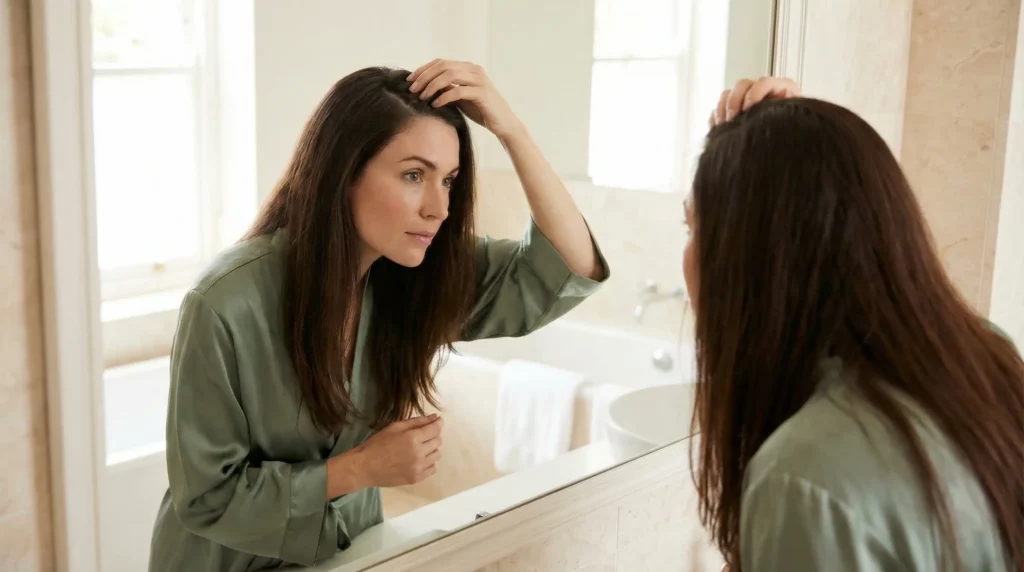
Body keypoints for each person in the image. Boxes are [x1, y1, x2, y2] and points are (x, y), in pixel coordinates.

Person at [148, 60, 608, 571]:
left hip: (352, 555)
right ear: (345, 174)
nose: (439, 208)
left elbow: (571, 265)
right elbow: (207, 498)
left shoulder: (414, 275)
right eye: (414, 175)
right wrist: (358, 469)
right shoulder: (224, 304)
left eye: (449, 181)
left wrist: (510, 129)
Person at [686, 77, 1023, 572]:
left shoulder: (803, 479)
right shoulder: (987, 357)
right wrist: (785, 144)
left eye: (693, 228)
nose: (689, 255)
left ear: (749, 256)